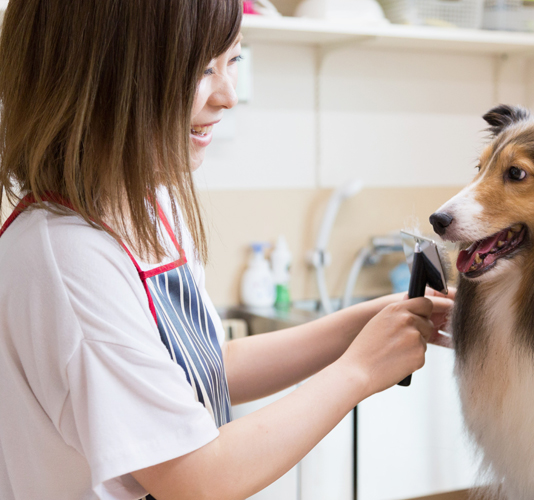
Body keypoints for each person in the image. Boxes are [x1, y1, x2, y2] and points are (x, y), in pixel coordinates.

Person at [0, 1, 454, 499]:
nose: (229, 96)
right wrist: (359, 370)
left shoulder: (152, 203)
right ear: (100, 75)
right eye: (203, 68)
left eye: (233, 60)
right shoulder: (67, 257)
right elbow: (196, 479)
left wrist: (365, 322)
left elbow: (212, 368)